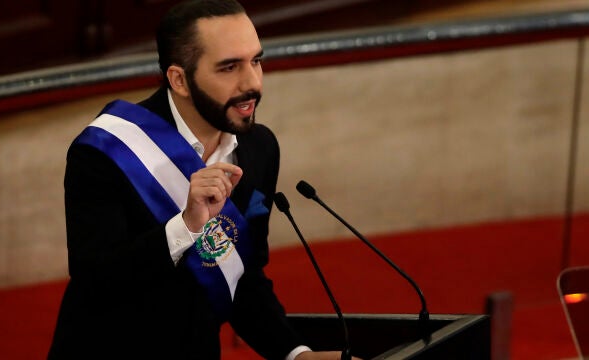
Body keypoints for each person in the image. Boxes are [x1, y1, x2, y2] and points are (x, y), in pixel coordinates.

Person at [48, 1, 360, 359]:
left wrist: (296, 353)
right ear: (179, 79)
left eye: (256, 61)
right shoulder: (103, 152)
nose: (253, 83)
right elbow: (96, 281)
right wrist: (185, 227)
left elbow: (242, 274)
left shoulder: (259, 149)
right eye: (229, 67)